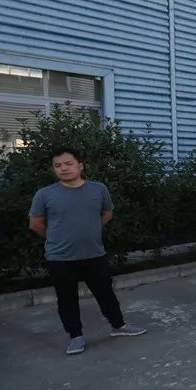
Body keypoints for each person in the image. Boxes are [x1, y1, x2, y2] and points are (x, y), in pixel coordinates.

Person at [28, 147, 146, 355]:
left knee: (106, 293)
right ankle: (76, 337)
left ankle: (119, 326)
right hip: (60, 257)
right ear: (53, 169)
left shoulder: (98, 189)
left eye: (68, 163)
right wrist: (56, 238)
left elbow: (107, 213)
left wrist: (91, 229)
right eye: (58, 165)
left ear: (80, 166)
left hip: (94, 254)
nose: (63, 168)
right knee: (67, 298)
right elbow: (36, 224)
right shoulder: (44, 194)